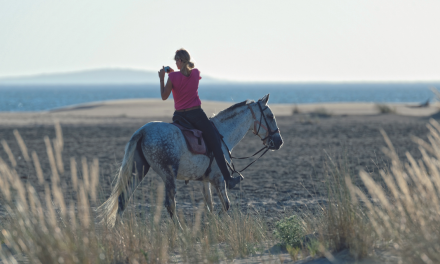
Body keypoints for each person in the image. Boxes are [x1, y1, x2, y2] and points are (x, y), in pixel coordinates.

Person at [157, 48, 242, 189]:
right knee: (215, 144)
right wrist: (175, 73)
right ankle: (228, 179)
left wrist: (162, 78)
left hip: (180, 116)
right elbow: (185, 78)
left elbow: (164, 96)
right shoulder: (196, 73)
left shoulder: (172, 78)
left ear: (180, 60)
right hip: (196, 115)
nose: (175, 63)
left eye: (176, 60)